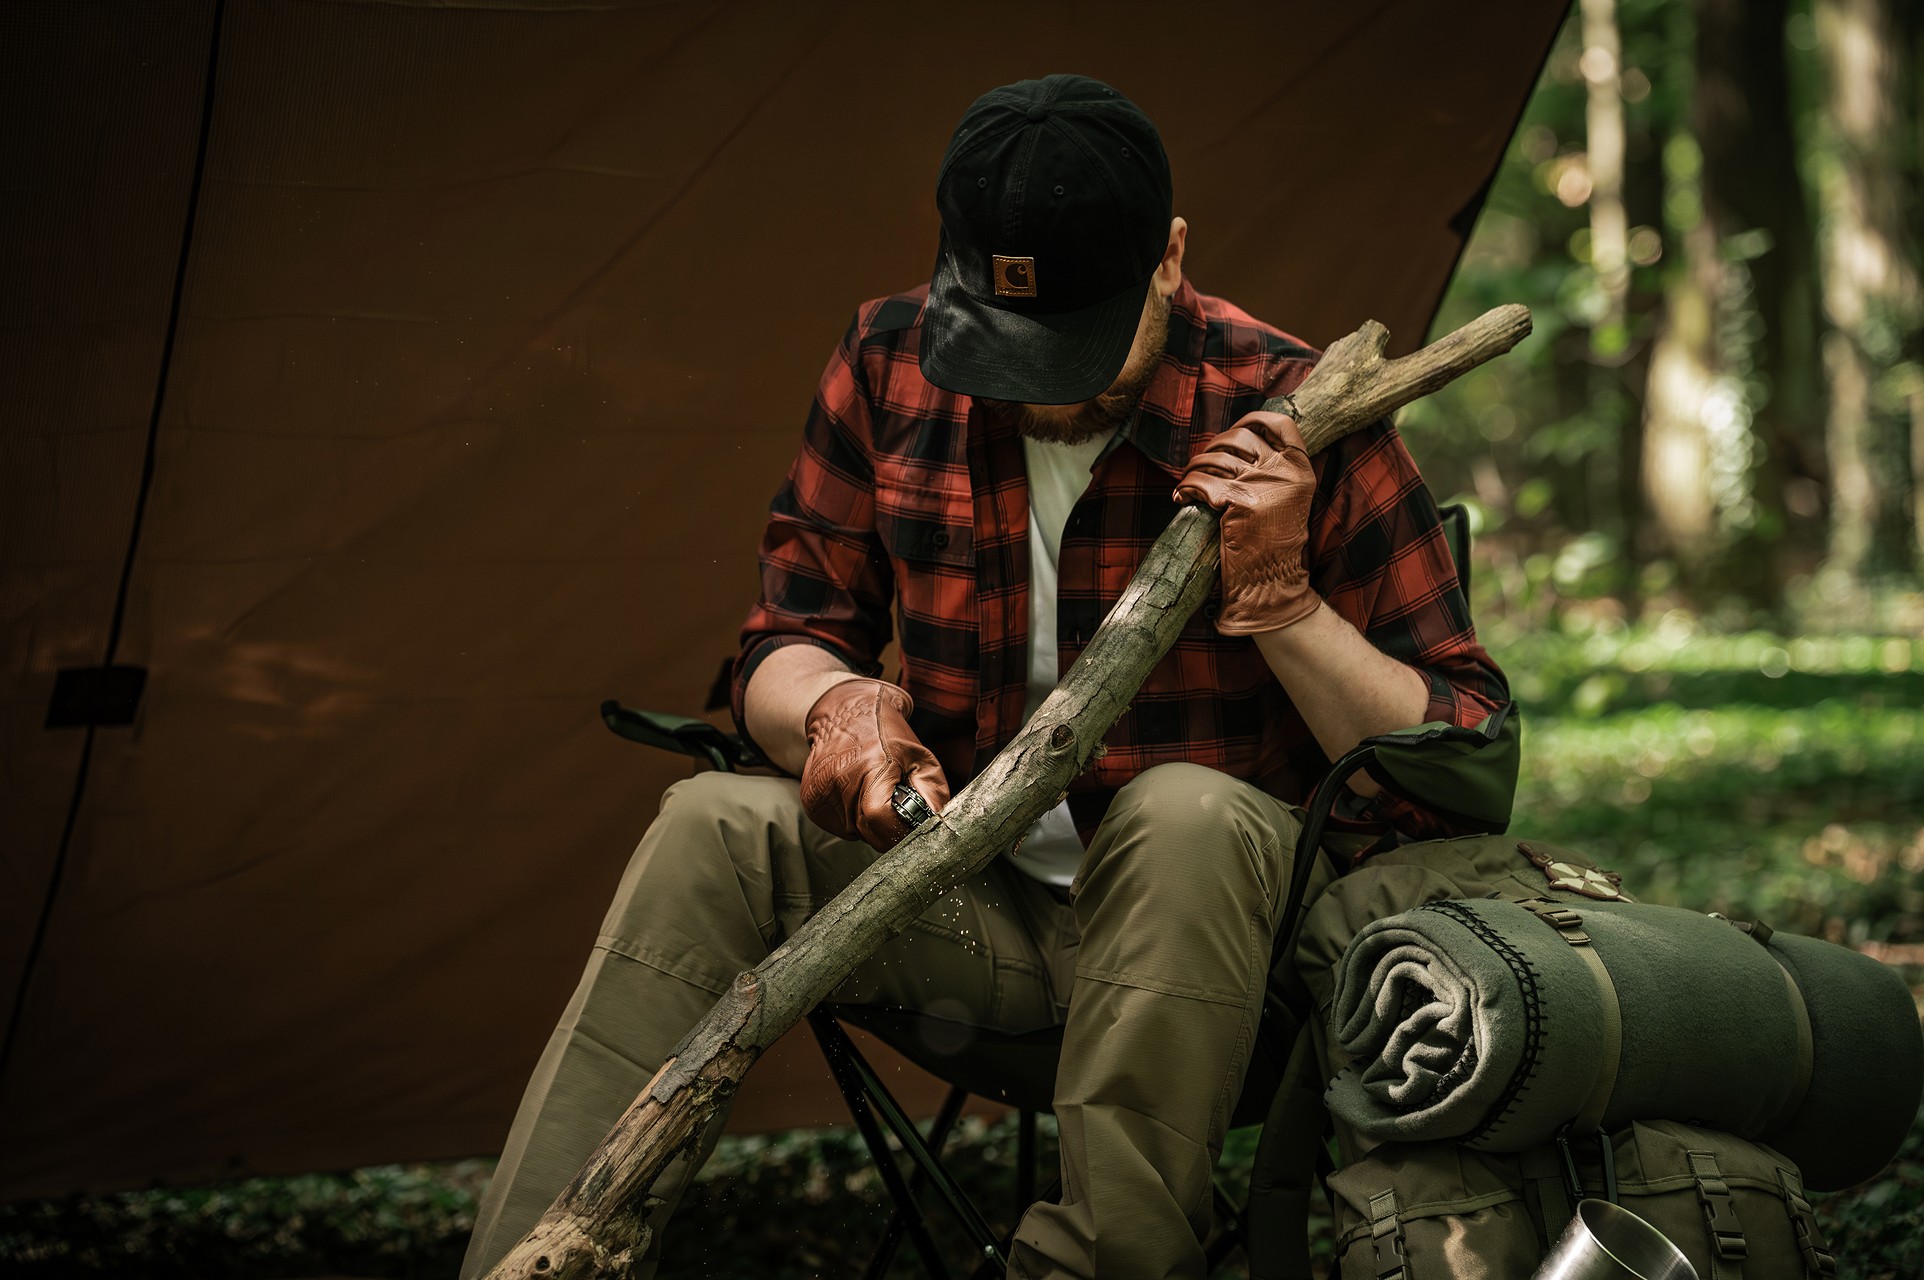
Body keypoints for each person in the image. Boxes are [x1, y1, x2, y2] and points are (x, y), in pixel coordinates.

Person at [462, 73, 1507, 1280]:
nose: (1037, 387)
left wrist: (1285, 603)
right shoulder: (888, 361)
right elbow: (782, 637)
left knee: (1184, 807)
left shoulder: (1296, 415)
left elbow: (1465, 773)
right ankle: (532, 1257)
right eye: (1001, 347)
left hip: (1220, 963)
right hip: (973, 906)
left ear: (1169, 258)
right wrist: (836, 705)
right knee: (710, 825)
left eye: (1071, 344)